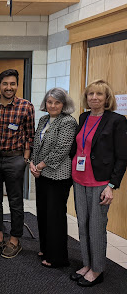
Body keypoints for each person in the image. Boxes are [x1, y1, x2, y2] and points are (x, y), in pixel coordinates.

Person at [70, 80, 127, 287]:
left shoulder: (116, 120)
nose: (94, 98)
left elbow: (122, 157)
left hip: (100, 182)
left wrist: (112, 186)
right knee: (83, 225)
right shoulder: (84, 117)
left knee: (96, 227)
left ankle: (98, 269)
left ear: (107, 98)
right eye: (90, 94)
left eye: (99, 94)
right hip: (79, 179)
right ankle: (87, 263)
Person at [0, 69, 35, 259]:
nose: (9, 87)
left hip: (15, 159)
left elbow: (30, 135)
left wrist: (25, 158)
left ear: (17, 85)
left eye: (12, 84)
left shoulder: (26, 106)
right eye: (5, 84)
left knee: (15, 201)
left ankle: (15, 238)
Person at [29, 88, 77, 268]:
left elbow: (61, 149)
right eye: (50, 102)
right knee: (43, 213)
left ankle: (57, 258)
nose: (53, 105)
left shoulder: (68, 122)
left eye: (57, 102)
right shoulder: (43, 120)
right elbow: (36, 144)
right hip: (41, 174)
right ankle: (46, 248)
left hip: (58, 176)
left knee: (55, 216)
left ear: (64, 104)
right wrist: (33, 164)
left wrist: (40, 166)